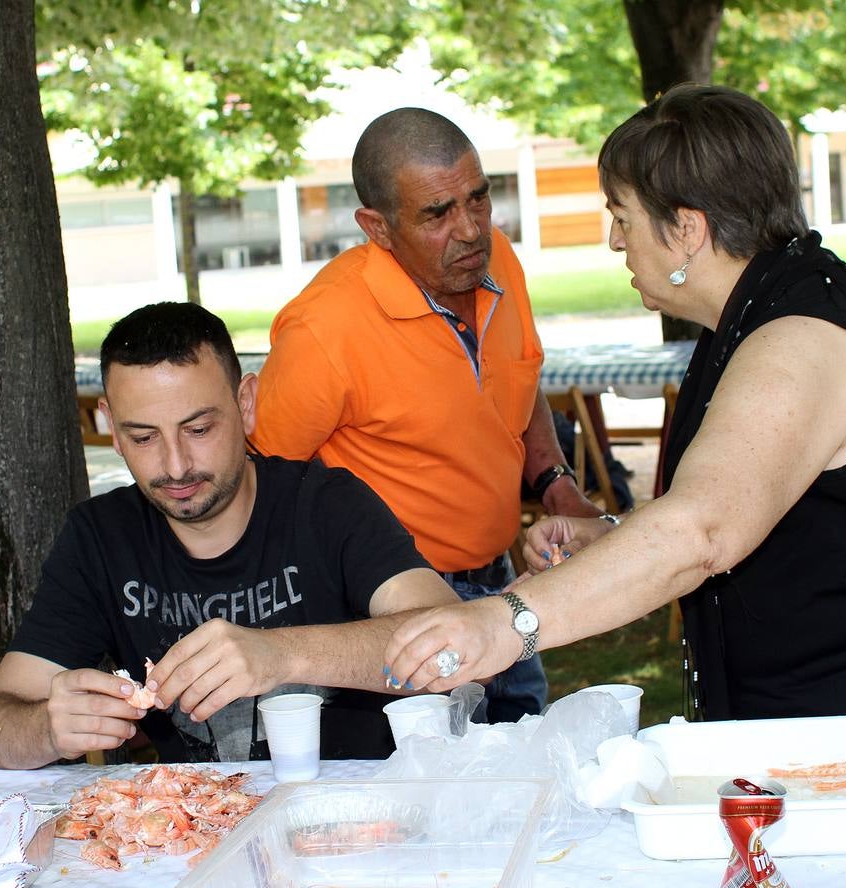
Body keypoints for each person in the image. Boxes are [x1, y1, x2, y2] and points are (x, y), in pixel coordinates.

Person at [382, 84, 846, 722]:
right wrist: (615, 541)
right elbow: (752, 510)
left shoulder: (801, 341)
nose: (617, 242)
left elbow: (700, 532)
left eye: (624, 217)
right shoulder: (754, 316)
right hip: (822, 727)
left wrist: (504, 625)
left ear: (688, 229)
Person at [0, 302, 461, 769]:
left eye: (198, 429)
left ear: (245, 404)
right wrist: (48, 728)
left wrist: (281, 654)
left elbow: (457, 647)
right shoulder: (100, 537)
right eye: (143, 438)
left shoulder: (326, 504)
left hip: (356, 820)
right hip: (195, 831)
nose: (175, 465)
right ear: (112, 430)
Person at [251, 107, 605, 723]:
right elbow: (262, 482)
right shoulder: (323, 328)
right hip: (393, 609)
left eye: (479, 199)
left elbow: (519, 380)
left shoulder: (499, 261)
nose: (470, 230)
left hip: (504, 586)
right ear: (377, 227)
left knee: (522, 759)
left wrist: (557, 487)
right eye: (437, 214)